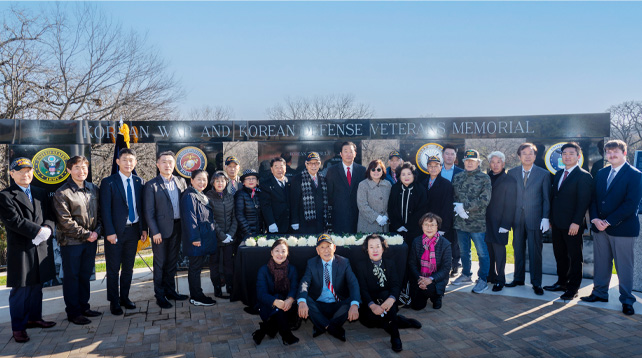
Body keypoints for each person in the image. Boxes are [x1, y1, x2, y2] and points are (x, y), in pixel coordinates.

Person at [0, 158, 57, 343]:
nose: (26, 174)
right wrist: (38, 231)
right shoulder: (6, 195)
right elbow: (14, 221)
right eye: (21, 171)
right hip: (21, 248)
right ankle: (18, 327)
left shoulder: (41, 192)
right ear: (12, 174)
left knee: (37, 286)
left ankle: (34, 318)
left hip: (40, 246)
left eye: (29, 171)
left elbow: (49, 215)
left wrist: (48, 228)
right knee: (21, 289)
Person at [583, 140, 642, 316]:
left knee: (624, 266)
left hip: (622, 229)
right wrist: (594, 219)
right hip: (600, 228)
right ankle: (600, 293)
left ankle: (626, 300)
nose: (611, 155)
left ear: (624, 153)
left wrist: (607, 221)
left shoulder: (635, 174)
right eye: (608, 152)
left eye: (615, 152)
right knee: (601, 263)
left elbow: (631, 204)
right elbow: (593, 199)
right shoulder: (601, 173)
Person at [52, 156, 103, 325]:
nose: (81, 171)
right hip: (72, 243)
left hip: (90, 241)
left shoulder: (93, 189)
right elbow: (65, 221)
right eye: (77, 168)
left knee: (84, 275)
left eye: (84, 168)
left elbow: (100, 215)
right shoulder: (62, 192)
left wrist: (96, 232)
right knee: (72, 277)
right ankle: (73, 313)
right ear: (68, 170)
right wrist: (87, 234)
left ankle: (84, 307)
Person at [100, 148, 148, 315]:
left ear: (135, 163)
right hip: (115, 233)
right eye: (125, 160)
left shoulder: (139, 182)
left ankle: (124, 298)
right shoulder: (108, 182)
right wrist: (110, 232)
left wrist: (143, 228)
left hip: (134, 231)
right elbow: (105, 210)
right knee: (113, 269)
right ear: (117, 161)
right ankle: (114, 302)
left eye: (131, 160)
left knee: (128, 268)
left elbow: (141, 208)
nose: (128, 163)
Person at [355, 234, 422, 353]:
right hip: (370, 304)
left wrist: (391, 299)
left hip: (388, 302)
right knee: (371, 323)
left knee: (386, 294)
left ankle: (395, 337)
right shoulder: (361, 265)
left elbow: (395, 285)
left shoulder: (390, 263)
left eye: (378, 246)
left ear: (383, 248)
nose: (375, 250)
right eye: (371, 247)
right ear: (367, 249)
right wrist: (372, 305)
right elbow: (362, 290)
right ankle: (402, 321)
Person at [545, 143, 593, 300]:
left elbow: (583, 202)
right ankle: (562, 283)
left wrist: (576, 222)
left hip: (573, 225)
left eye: (571, 153)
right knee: (560, 255)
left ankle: (573, 289)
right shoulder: (559, 174)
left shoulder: (584, 176)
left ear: (578, 156)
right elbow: (555, 198)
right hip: (557, 223)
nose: (567, 156)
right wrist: (552, 219)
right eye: (564, 153)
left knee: (574, 257)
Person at [144, 151, 189, 309]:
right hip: (160, 231)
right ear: (158, 164)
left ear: (174, 165)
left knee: (172, 262)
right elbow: (149, 212)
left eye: (170, 162)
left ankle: (171, 291)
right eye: (164, 162)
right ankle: (160, 295)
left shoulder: (181, 181)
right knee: (160, 264)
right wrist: (154, 231)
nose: (167, 165)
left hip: (177, 227)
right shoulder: (152, 185)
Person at [506, 143, 551, 295]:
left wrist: (545, 217)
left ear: (535, 156)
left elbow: (546, 199)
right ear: (519, 156)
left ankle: (536, 282)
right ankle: (518, 278)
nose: (527, 156)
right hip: (516, 219)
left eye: (530, 153)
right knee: (517, 250)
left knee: (535, 252)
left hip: (535, 219)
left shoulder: (543, 174)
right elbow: (509, 197)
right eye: (524, 153)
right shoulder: (511, 173)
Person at [297, 234, 361, 342]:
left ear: (334, 248)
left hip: (337, 303)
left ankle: (321, 325)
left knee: (352, 301)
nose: (326, 250)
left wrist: (355, 305)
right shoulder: (311, 263)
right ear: (317, 250)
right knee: (305, 299)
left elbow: (353, 283)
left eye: (328, 246)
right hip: (319, 303)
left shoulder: (344, 262)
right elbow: (304, 282)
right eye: (322, 247)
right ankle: (332, 328)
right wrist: (302, 302)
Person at [450, 150, 492, 293]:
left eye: (472, 161)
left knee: (482, 252)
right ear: (463, 162)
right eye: (467, 161)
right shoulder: (457, 177)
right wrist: (458, 208)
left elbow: (484, 200)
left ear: (478, 163)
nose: (469, 163)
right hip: (460, 222)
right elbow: (453, 196)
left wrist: (465, 207)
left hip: (477, 223)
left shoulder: (484, 178)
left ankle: (483, 279)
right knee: (463, 251)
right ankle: (466, 274)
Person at [181, 169, 218, 306]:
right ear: (192, 180)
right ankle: (196, 296)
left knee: (197, 267)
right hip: (196, 240)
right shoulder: (189, 196)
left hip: (203, 238)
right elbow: (190, 219)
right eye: (199, 179)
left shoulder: (200, 195)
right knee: (195, 268)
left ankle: (197, 294)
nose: (202, 182)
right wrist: (195, 238)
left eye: (204, 180)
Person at [253, 239, 300, 346]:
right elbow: (261, 294)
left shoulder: (292, 269)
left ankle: (264, 330)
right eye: (277, 250)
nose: (280, 254)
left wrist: (290, 299)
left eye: (283, 251)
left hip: (287, 306)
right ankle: (286, 335)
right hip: (268, 305)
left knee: (280, 310)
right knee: (278, 309)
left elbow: (294, 287)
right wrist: (275, 301)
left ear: (287, 253)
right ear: (271, 252)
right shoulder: (263, 270)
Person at [485, 151, 517, 292]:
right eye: (493, 162)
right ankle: (491, 275)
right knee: (488, 251)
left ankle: (501, 279)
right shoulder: (486, 178)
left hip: (500, 223)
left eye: (498, 162)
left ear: (503, 164)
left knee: (499, 253)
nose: (495, 165)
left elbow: (511, 204)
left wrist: (506, 224)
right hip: (486, 222)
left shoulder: (509, 180)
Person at [408, 213, 452, 310]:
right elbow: (412, 263)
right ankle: (423, 293)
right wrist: (420, 279)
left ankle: (436, 297)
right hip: (420, 278)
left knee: (431, 289)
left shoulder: (445, 244)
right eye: (426, 224)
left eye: (432, 225)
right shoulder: (416, 241)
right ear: (422, 226)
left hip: (435, 279)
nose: (429, 228)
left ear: (437, 227)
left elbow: (446, 268)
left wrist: (430, 279)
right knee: (417, 307)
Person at [423, 156, 458, 275]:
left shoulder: (446, 184)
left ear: (441, 167)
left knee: (440, 254)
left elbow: (447, 208)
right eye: (430, 166)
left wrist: (443, 228)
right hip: (426, 225)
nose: (433, 168)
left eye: (436, 166)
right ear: (427, 167)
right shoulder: (422, 182)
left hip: (439, 226)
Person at [206, 171, 238, 299]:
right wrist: (222, 236)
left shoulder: (230, 196)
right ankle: (217, 288)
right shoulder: (208, 197)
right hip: (215, 237)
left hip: (229, 238)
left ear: (226, 182)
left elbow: (234, 218)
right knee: (214, 263)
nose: (220, 183)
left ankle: (230, 287)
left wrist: (230, 234)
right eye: (217, 181)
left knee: (228, 263)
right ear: (213, 183)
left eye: (223, 181)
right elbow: (210, 219)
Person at [326, 141, 366, 234]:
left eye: (351, 151)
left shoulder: (362, 170)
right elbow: (329, 194)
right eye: (345, 151)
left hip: (358, 215)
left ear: (355, 154)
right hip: (339, 215)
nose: (348, 154)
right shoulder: (332, 171)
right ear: (340, 154)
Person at [388, 163, 428, 245]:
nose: (406, 177)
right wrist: (397, 225)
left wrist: (408, 226)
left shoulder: (420, 189)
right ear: (399, 176)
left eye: (409, 174)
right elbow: (391, 208)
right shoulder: (395, 188)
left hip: (415, 231)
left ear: (413, 175)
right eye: (403, 174)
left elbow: (422, 210)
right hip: (397, 230)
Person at [290, 152, 330, 234]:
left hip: (321, 222)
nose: (313, 166)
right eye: (310, 163)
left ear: (320, 164)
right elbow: (294, 202)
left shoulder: (323, 179)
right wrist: (295, 221)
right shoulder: (298, 179)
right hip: (304, 222)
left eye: (316, 163)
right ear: (306, 164)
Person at [357, 160, 392, 233]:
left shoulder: (388, 185)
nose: (376, 172)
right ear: (369, 171)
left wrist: (386, 216)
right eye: (373, 169)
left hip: (384, 225)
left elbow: (392, 203)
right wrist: (377, 217)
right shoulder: (363, 185)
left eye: (379, 169)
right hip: (367, 225)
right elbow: (362, 205)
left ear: (382, 171)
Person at [260, 157, 291, 235]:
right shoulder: (266, 184)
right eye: (276, 167)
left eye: (281, 167)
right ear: (271, 169)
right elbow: (266, 206)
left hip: (291, 224)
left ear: (285, 168)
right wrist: (271, 223)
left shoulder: (291, 182)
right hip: (276, 224)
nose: (279, 170)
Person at [235, 169, 263, 239]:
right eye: (248, 179)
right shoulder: (240, 194)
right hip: (246, 233)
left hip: (259, 231)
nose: (251, 180)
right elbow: (239, 216)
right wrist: (248, 232)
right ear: (243, 182)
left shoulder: (260, 193)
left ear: (257, 181)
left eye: (253, 178)